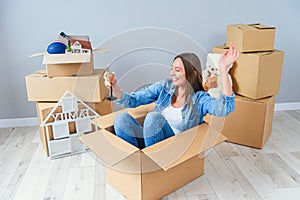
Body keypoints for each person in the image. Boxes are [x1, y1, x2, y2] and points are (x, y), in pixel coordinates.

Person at [104, 43, 239, 149]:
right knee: (121, 119)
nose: (172, 73)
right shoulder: (165, 87)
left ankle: (152, 165)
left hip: (173, 148)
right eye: (172, 68)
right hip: (151, 141)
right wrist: (115, 89)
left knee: (153, 118)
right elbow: (134, 100)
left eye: (178, 70)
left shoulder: (200, 99)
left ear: (192, 75)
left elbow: (225, 107)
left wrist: (223, 69)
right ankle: (138, 161)